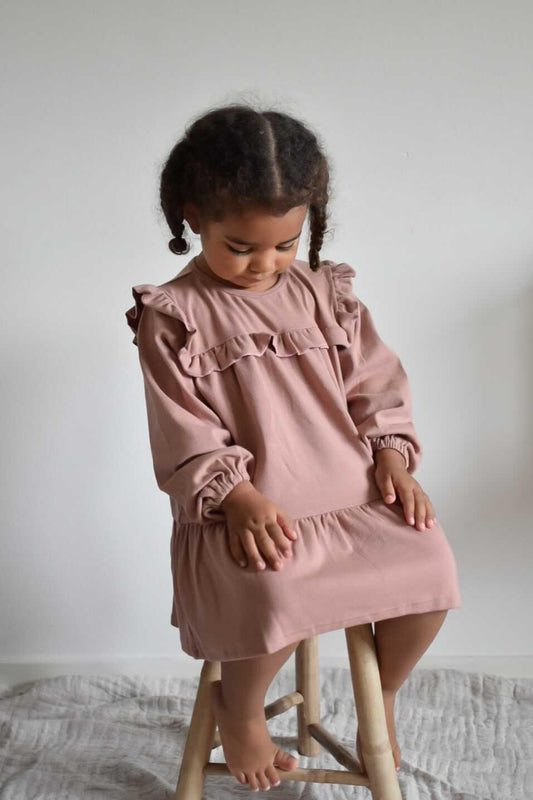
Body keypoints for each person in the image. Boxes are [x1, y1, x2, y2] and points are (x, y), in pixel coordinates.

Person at [125, 103, 462, 792]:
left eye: (285, 245)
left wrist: (391, 455)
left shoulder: (324, 296)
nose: (264, 264)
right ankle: (241, 707)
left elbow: (374, 383)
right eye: (240, 247)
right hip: (252, 509)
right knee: (275, 589)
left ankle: (383, 694)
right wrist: (237, 495)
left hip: (352, 494)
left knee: (431, 568)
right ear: (194, 218)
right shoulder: (175, 317)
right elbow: (181, 425)